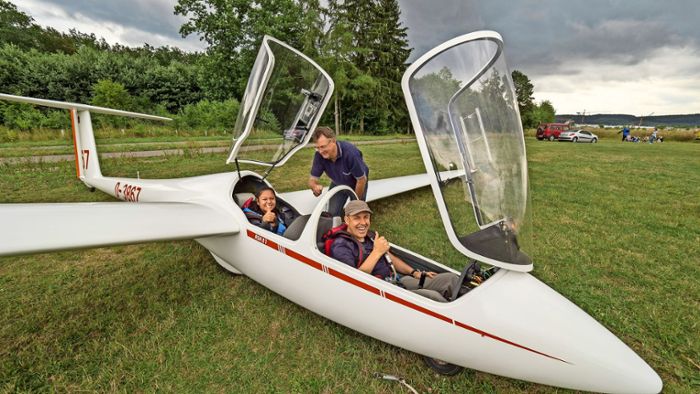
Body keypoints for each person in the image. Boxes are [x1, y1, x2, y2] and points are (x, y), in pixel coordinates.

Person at [330, 200, 460, 302]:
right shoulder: (341, 246)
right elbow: (353, 280)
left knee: (450, 279)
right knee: (434, 297)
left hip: (397, 280)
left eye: (366, 217)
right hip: (382, 293)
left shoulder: (369, 236)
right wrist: (377, 252)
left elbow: (389, 257)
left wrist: (414, 273)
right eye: (357, 218)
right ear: (347, 220)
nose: (363, 222)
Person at [309, 126, 369, 216]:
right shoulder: (319, 155)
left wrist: (356, 202)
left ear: (333, 141)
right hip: (338, 182)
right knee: (332, 213)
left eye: (323, 146)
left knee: (356, 211)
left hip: (357, 181)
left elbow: (361, 180)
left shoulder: (351, 153)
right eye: (317, 147)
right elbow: (312, 179)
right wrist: (314, 186)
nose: (320, 151)